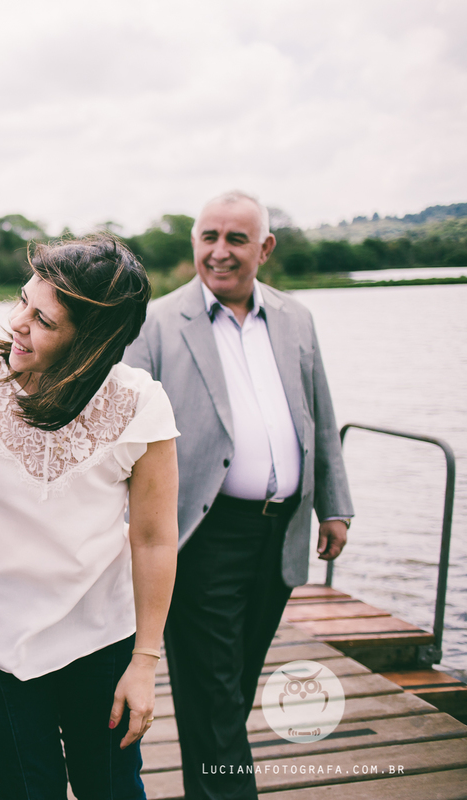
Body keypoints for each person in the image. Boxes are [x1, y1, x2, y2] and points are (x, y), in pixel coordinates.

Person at [0, 236, 180, 800]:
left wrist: (145, 663)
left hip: (100, 641)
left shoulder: (140, 403)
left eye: (43, 320)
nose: (19, 323)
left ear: (91, 343)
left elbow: (152, 539)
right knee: (28, 788)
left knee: (112, 788)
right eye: (24, 302)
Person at [123, 190, 354, 800]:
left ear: (265, 248)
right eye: (208, 237)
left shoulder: (296, 318)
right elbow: (122, 429)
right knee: (217, 696)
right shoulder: (156, 323)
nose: (219, 252)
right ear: (194, 241)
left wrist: (333, 505)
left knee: (230, 690)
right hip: (201, 537)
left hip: (280, 536)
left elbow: (319, 418)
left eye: (236, 239)